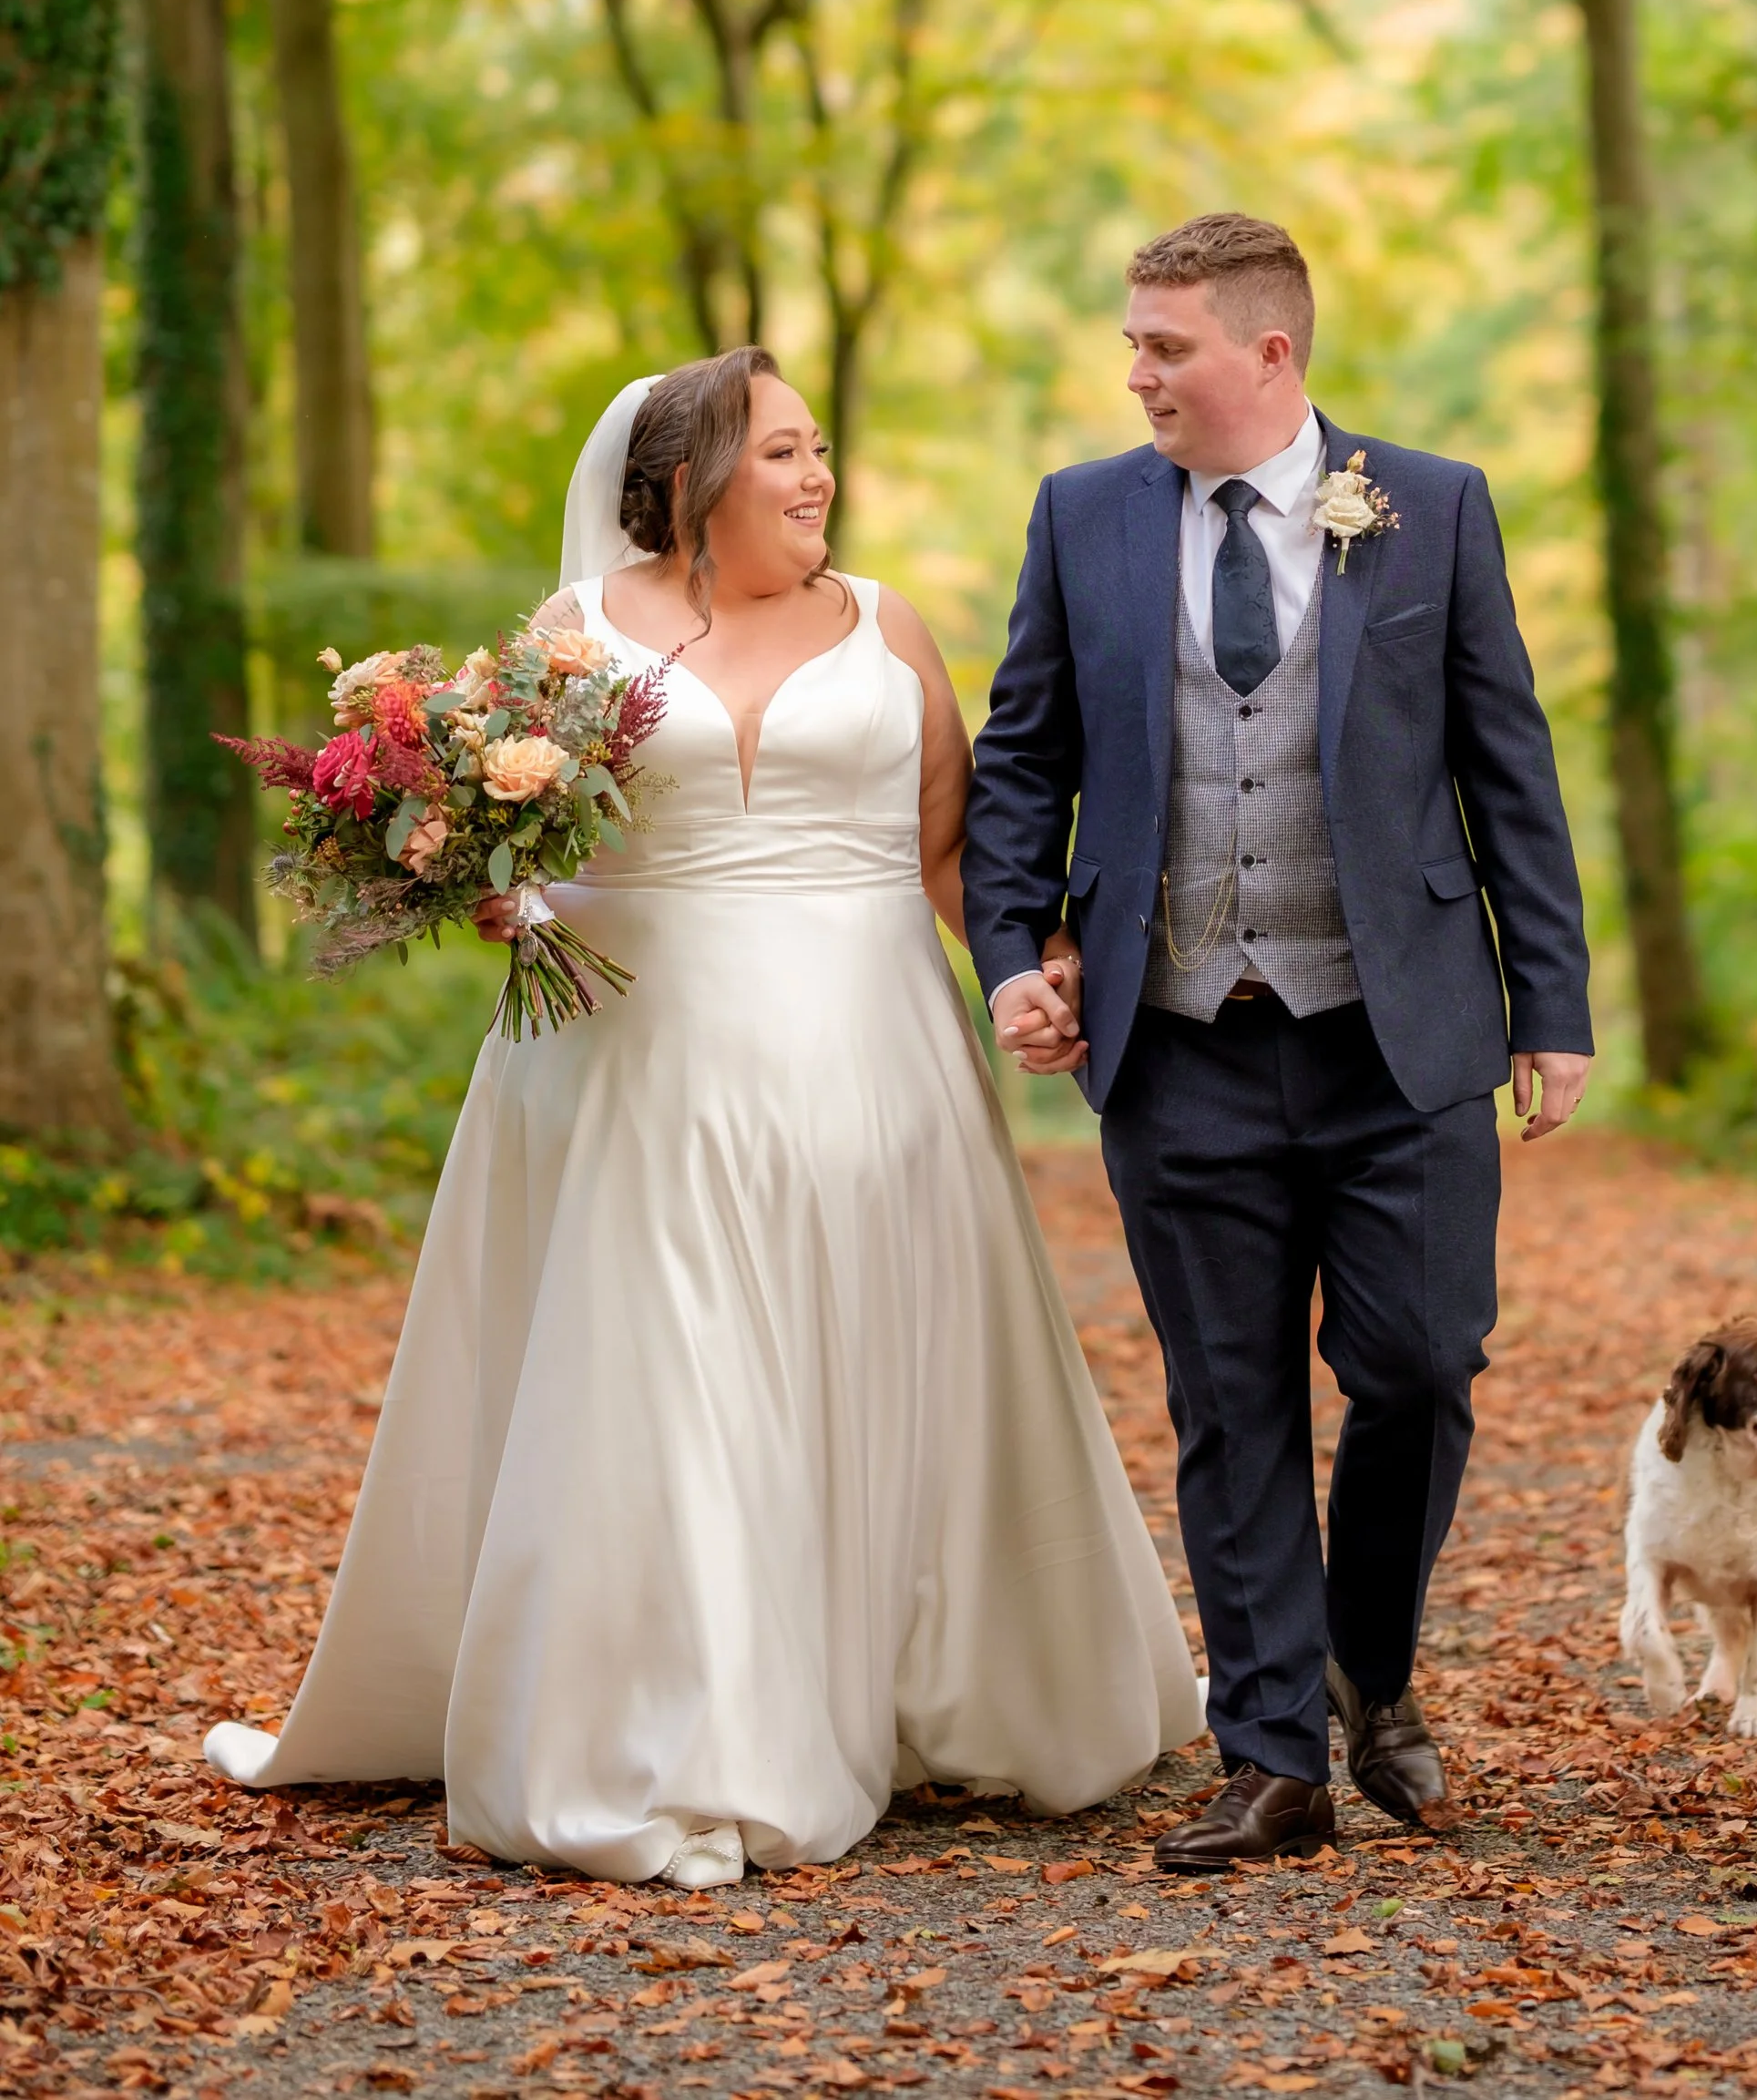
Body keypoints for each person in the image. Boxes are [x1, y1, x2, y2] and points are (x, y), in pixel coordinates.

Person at [205, 347, 1199, 1883]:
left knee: (874, 1361)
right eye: (787, 452)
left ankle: (898, 1683)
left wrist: (1036, 971)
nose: (820, 478)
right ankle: (694, 1735)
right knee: (675, 1389)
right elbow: (499, 840)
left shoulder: (889, 627)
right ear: (691, 486)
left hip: (879, 1073)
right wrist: (483, 882)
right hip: (636, 1076)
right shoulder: (574, 635)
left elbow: (953, 857)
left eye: (819, 450)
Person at [962, 215, 1591, 1870]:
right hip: (1179, 1041)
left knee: (1419, 1364)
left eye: (1165, 345)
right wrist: (1013, 948)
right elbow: (1022, 756)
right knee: (1231, 1400)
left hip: (1401, 1032)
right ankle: (1270, 1755)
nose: (1137, 372)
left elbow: (1504, 758)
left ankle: (1366, 1669)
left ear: (1270, 353)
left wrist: (1557, 1004)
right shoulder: (1084, 514)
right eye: (1132, 343)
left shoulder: (1429, 502)